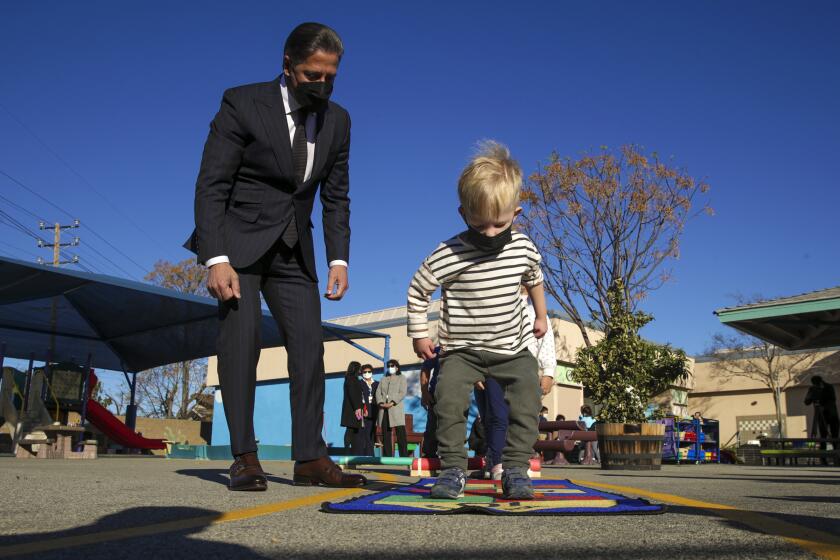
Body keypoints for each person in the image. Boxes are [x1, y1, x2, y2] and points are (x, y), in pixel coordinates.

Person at [185, 22, 365, 490]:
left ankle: (310, 457)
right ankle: (245, 456)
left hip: (294, 252)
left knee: (309, 347)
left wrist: (338, 259)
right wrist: (215, 256)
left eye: (331, 77)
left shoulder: (339, 121)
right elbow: (212, 184)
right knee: (240, 346)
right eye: (312, 76)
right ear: (287, 65)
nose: (322, 86)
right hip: (238, 245)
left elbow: (336, 196)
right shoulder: (242, 102)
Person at [408, 141, 547, 500]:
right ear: (462, 213)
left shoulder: (524, 248)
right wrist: (419, 334)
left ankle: (515, 467)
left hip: (511, 348)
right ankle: (453, 468)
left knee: (528, 397)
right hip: (462, 349)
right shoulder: (448, 253)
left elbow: (534, 279)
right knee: (448, 399)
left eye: (498, 223)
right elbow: (418, 289)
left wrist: (542, 316)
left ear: (516, 213)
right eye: (478, 222)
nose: (488, 233)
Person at [376, 360, 409, 457]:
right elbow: (378, 392)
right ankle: (387, 457)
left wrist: (392, 402)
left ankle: (404, 456)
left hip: (395, 409)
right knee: (385, 434)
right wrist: (381, 403)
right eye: (389, 366)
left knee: (400, 434)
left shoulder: (401, 378)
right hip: (384, 409)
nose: (390, 367)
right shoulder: (383, 379)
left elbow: (402, 392)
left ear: (397, 367)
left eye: (392, 365)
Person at [804, 375, 839, 448]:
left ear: (820, 382)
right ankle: (823, 457)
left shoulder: (829, 387)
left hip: (832, 415)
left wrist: (824, 407)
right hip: (821, 415)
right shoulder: (812, 389)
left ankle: (836, 454)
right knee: (823, 436)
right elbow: (807, 402)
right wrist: (810, 395)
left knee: (834, 435)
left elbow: (832, 400)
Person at [419, 346, 442, 458]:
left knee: (453, 426)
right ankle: (429, 454)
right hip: (436, 394)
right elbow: (425, 368)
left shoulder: (466, 348)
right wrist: (424, 392)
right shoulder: (437, 351)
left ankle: (451, 456)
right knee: (432, 426)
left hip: (458, 395)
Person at [340, 362, 363, 450]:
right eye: (359, 368)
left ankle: (353, 450)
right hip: (352, 410)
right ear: (355, 368)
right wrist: (357, 408)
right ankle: (347, 450)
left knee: (354, 430)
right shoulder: (351, 379)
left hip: (352, 409)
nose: (360, 370)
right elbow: (353, 394)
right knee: (350, 430)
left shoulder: (350, 379)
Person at [358, 364, 378, 455]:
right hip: (364, 413)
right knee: (362, 435)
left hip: (374, 412)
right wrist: (363, 408)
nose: (367, 373)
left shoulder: (377, 383)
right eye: (365, 372)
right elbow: (358, 398)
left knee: (371, 435)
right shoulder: (359, 383)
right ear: (362, 373)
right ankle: (362, 456)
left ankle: (370, 456)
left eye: (369, 371)